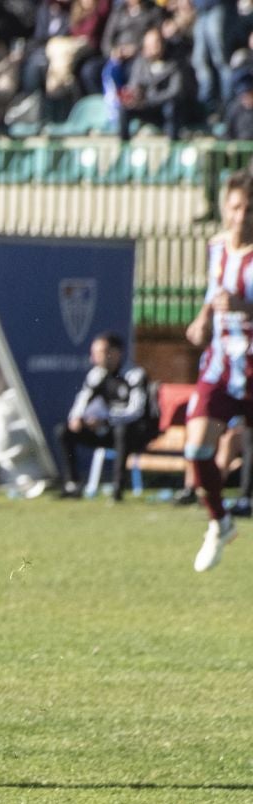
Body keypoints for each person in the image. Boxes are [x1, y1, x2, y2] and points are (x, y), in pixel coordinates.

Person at [180, 170, 248, 571]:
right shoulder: (217, 248)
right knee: (197, 448)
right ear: (225, 209)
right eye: (236, 208)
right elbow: (213, 292)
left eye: (250, 209)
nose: (242, 217)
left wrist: (245, 307)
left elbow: (236, 299)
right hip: (221, 367)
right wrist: (202, 318)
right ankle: (220, 522)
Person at [56, 332, 154, 500]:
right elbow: (82, 399)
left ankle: (118, 488)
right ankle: (72, 484)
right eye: (94, 353)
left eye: (100, 352)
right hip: (109, 429)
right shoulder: (97, 375)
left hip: (137, 432)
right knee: (64, 431)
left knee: (122, 431)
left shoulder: (135, 375)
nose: (95, 358)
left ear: (116, 353)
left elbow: (136, 411)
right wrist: (77, 418)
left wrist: (106, 420)